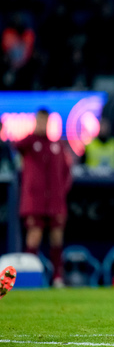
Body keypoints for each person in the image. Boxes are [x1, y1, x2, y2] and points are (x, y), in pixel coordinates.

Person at [15, 108, 72, 287]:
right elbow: (16, 146)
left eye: (45, 121)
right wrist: (33, 134)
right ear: (35, 122)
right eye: (39, 121)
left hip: (55, 202)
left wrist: (60, 192)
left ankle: (57, 277)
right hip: (35, 201)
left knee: (57, 238)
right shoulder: (30, 143)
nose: (42, 124)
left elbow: (66, 173)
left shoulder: (56, 146)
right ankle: (29, 276)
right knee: (34, 236)